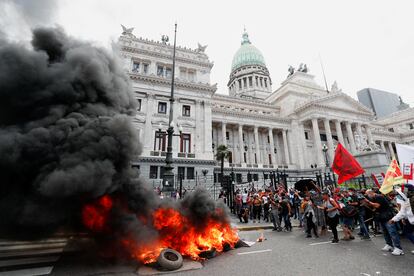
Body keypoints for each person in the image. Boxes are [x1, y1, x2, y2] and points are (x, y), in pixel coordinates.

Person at [364, 189, 404, 256]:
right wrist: (367, 204)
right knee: (385, 232)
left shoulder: (379, 197)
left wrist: (368, 201)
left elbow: (377, 205)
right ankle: (389, 245)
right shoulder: (373, 198)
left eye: (367, 194)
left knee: (392, 232)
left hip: (387, 217)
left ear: (371, 193)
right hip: (381, 218)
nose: (367, 196)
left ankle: (398, 248)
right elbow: (374, 208)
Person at [389, 186, 414, 254]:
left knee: (408, 233)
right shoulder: (406, 201)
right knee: (408, 232)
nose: (398, 196)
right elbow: (402, 212)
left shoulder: (408, 200)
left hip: (411, 220)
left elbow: (402, 212)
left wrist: (393, 219)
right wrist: (395, 219)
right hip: (409, 220)